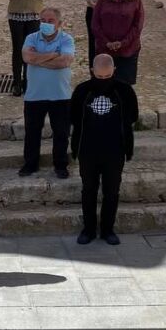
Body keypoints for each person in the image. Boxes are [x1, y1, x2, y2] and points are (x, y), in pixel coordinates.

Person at [70, 54, 139, 246]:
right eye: (99, 77)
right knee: (88, 190)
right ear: (92, 71)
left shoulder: (124, 90)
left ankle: (108, 229)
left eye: (107, 76)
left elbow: (133, 116)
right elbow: (73, 116)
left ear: (114, 71)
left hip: (115, 151)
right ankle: (89, 229)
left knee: (112, 191)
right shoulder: (82, 90)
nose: (103, 81)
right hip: (88, 150)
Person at [19, 8, 76, 179]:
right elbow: (26, 58)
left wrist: (37, 59)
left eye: (50, 21)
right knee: (32, 132)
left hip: (61, 95)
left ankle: (60, 165)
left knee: (61, 133)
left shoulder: (66, 39)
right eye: (43, 20)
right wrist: (52, 54)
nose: (46, 23)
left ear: (59, 23)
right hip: (34, 95)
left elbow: (64, 61)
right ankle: (30, 164)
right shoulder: (31, 38)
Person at [6, 0, 48, 96]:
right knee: (17, 48)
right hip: (16, 12)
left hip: (34, 12)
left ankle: (28, 81)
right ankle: (16, 82)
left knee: (31, 48)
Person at [91, 0, 144, 86]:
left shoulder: (135, 1)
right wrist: (106, 42)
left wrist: (122, 43)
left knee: (124, 86)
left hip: (128, 51)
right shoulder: (103, 1)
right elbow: (95, 24)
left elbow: (137, 26)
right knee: (104, 84)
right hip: (104, 50)